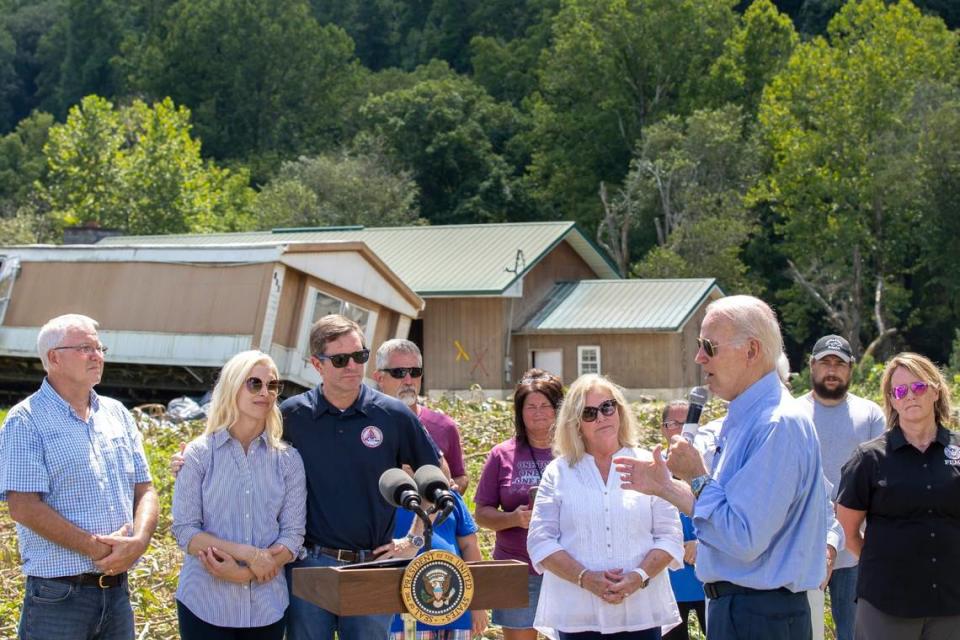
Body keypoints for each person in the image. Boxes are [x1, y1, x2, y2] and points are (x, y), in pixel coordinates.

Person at [615, 295, 828, 640]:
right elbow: (726, 513)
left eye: (708, 346)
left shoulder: (776, 424)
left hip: (761, 614)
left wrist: (697, 475)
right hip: (743, 610)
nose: (700, 357)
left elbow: (742, 538)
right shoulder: (746, 418)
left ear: (751, 350)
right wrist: (666, 487)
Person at [280, 314, 442, 640]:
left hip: (375, 565)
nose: (353, 366)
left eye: (360, 356)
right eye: (341, 359)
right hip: (310, 563)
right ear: (316, 363)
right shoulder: (291, 415)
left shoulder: (392, 414)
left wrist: (413, 539)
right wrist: (193, 456)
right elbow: (242, 454)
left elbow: (434, 480)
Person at [0, 314, 158, 640]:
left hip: (116, 592)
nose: (97, 356)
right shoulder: (26, 420)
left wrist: (139, 542)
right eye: (85, 348)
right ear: (54, 358)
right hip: (59, 596)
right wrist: (95, 548)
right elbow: (24, 507)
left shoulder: (116, 414)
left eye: (99, 347)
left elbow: (145, 489)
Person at [527, 374, 683, 639]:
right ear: (576, 423)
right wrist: (585, 578)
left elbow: (670, 535)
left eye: (607, 407)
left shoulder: (649, 464)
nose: (601, 417)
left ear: (619, 410)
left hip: (640, 613)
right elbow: (540, 541)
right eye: (589, 413)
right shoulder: (558, 471)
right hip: (577, 616)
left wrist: (638, 576)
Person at [172, 350, 306, 639]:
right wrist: (248, 555)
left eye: (272, 385)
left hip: (267, 607)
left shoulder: (288, 460)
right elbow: (186, 532)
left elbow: (293, 535)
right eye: (254, 383)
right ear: (233, 385)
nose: (265, 392)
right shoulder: (198, 455)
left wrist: (246, 574)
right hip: (204, 603)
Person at [836, 352, 960, 640]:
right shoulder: (868, 458)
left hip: (952, 603)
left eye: (918, 387)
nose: (910, 397)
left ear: (935, 390)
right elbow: (848, 528)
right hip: (887, 604)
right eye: (900, 391)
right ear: (892, 400)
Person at [798, 335, 885, 640]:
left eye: (839, 364)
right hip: (801, 549)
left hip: (855, 548)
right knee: (803, 632)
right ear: (812, 365)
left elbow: (881, 481)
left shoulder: (871, 414)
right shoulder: (792, 414)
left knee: (855, 633)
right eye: (825, 362)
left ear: (850, 369)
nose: (831, 370)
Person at [474, 368, 563, 640]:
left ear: (559, 410)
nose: (538, 413)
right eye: (530, 406)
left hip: (568, 566)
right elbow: (482, 514)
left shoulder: (575, 453)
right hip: (518, 568)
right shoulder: (502, 454)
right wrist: (513, 519)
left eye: (545, 406)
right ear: (519, 412)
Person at [388, 478, 487, 639]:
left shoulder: (448, 496)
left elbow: (469, 546)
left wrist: (478, 604)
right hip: (406, 613)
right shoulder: (386, 498)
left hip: (457, 607)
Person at [373, 339, 468, 492]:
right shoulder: (364, 425)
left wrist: (454, 488)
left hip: (431, 515)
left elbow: (460, 476)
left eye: (415, 372)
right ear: (379, 378)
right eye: (399, 373)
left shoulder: (444, 426)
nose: (409, 381)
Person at [658, 401, 705, 640]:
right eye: (673, 423)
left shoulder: (711, 466)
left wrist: (701, 542)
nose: (680, 429)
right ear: (663, 429)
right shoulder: (653, 470)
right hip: (671, 586)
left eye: (688, 423)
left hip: (707, 581)